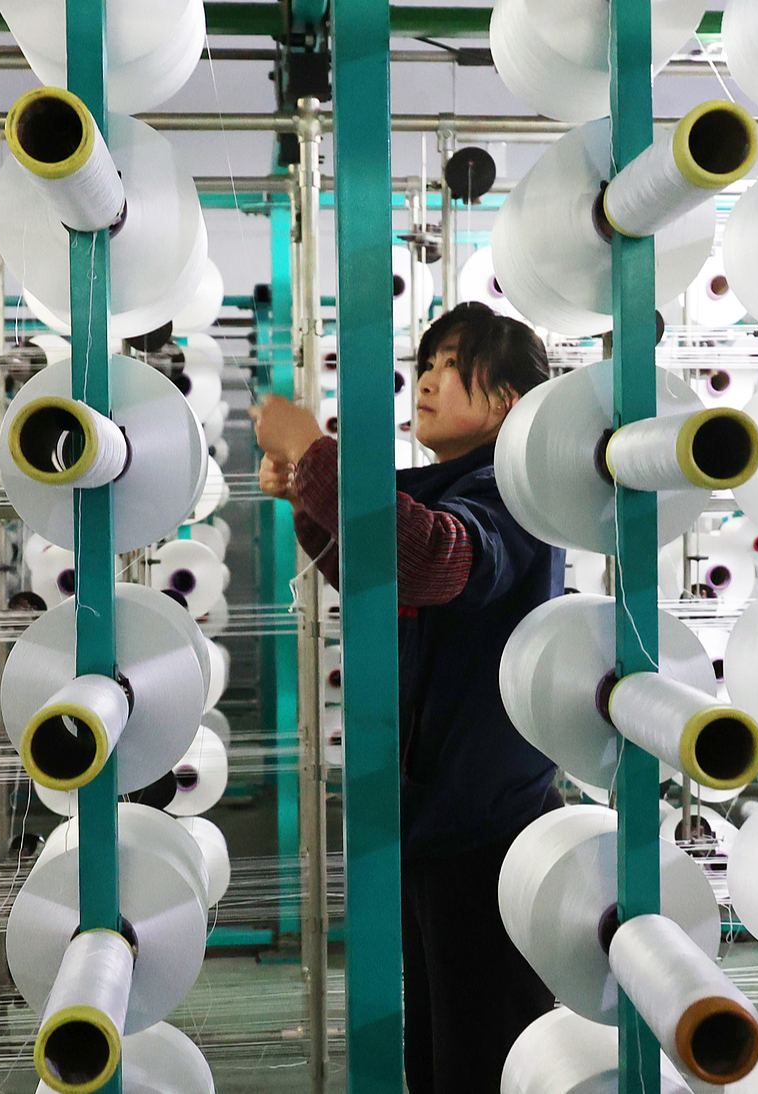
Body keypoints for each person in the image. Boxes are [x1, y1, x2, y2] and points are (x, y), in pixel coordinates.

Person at [249, 302, 564, 1094]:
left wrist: (313, 453)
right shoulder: (459, 487)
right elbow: (381, 576)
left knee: (483, 1060)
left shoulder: (513, 493)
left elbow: (429, 561)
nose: (425, 380)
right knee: (437, 1054)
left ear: (507, 402)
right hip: (441, 818)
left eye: (451, 366)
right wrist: (306, 496)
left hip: (488, 833)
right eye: (425, 364)